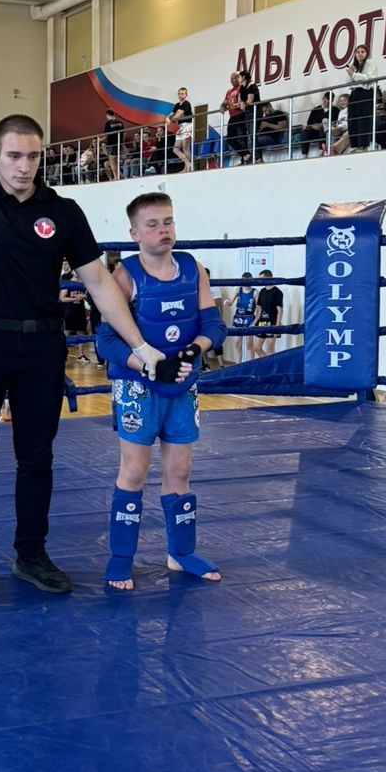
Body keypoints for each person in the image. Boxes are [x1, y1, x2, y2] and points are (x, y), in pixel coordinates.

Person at [0, 13, 166, 607]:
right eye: (14, 155)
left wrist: (140, 345)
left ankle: (31, 554)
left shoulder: (64, 212)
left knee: (36, 458)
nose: (24, 166)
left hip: (42, 347)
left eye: (33, 157)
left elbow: (99, 283)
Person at [97, 192, 226, 590]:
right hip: (138, 387)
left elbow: (214, 325)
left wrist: (191, 352)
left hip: (183, 384)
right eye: (152, 225)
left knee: (180, 471)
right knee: (134, 470)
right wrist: (148, 363)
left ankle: (181, 553)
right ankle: (121, 557)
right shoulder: (125, 276)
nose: (163, 230)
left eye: (168, 222)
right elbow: (105, 339)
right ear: (134, 233)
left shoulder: (192, 268)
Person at [253, 272, 283, 358]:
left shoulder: (277, 292)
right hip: (262, 322)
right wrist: (255, 322)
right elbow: (259, 308)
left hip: (272, 322)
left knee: (270, 347)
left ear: (269, 278)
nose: (260, 281)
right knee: (257, 348)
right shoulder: (262, 291)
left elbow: (280, 310)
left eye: (262, 278)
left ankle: (271, 365)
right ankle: (267, 363)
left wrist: (277, 324)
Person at [229, 280, 255, 364]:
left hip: (249, 318)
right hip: (238, 318)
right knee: (237, 342)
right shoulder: (238, 290)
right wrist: (227, 302)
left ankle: (251, 366)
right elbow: (230, 302)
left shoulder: (255, 292)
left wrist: (255, 322)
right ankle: (238, 365)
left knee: (249, 344)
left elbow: (259, 308)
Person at [169, 87, 194, 172]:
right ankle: (187, 164)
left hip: (187, 125)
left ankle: (189, 167)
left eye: (182, 94)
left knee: (185, 147)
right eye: (179, 94)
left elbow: (177, 115)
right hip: (180, 126)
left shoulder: (186, 103)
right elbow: (171, 114)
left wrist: (171, 119)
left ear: (186, 95)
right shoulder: (177, 105)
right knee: (175, 149)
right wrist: (168, 118)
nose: (181, 95)